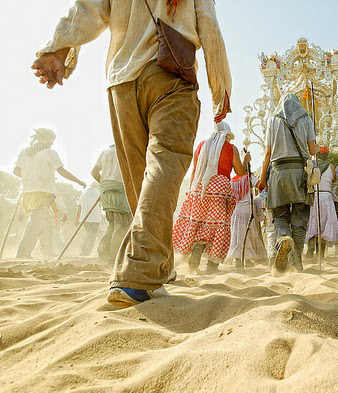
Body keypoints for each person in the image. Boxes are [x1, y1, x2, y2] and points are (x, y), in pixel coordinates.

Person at [33, 0, 233, 307]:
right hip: (170, 74)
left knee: (141, 179)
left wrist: (58, 48)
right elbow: (208, 22)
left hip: (121, 82)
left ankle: (160, 265)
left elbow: (89, 9)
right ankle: (138, 276)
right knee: (165, 165)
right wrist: (221, 88)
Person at [173, 122, 249, 273]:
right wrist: (246, 160)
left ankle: (197, 250)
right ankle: (212, 265)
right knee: (218, 226)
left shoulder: (201, 146)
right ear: (227, 134)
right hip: (220, 188)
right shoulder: (230, 148)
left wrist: (192, 191)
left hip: (200, 187)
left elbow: (195, 169)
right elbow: (240, 172)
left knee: (201, 223)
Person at [257, 93, 316, 274]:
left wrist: (261, 178)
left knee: (280, 215)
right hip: (300, 173)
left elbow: (267, 153)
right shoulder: (305, 117)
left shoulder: (273, 119)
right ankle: (296, 261)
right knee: (300, 219)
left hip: (278, 172)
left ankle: (283, 237)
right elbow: (313, 150)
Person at [13, 128, 86, 259]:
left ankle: (47, 251)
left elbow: (16, 171)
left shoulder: (25, 152)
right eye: (51, 140)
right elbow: (61, 171)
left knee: (45, 223)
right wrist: (79, 181)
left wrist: (30, 178)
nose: (52, 143)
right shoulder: (50, 153)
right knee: (35, 222)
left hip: (28, 192)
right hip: (43, 193)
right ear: (46, 139)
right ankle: (23, 253)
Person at [91, 145, 133, 264]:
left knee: (113, 223)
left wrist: (105, 184)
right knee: (122, 225)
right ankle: (114, 258)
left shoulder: (105, 152)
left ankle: (103, 253)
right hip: (121, 190)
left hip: (106, 189)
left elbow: (94, 172)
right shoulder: (126, 150)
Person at [305, 146, 338, 260]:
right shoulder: (331, 167)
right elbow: (334, 179)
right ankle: (320, 254)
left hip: (313, 196)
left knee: (312, 223)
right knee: (324, 225)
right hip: (326, 197)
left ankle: (310, 248)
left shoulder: (311, 166)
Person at [226, 171, 268, 268]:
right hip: (248, 211)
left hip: (236, 212)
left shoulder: (232, 180)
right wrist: (261, 197)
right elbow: (262, 188)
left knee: (237, 236)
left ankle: (239, 260)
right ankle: (248, 259)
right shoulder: (250, 178)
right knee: (248, 234)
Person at [76, 182, 102, 256]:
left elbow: (79, 206)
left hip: (84, 218)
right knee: (92, 235)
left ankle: (84, 250)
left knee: (88, 234)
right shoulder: (98, 193)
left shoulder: (83, 194)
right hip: (94, 218)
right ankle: (85, 252)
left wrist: (77, 219)